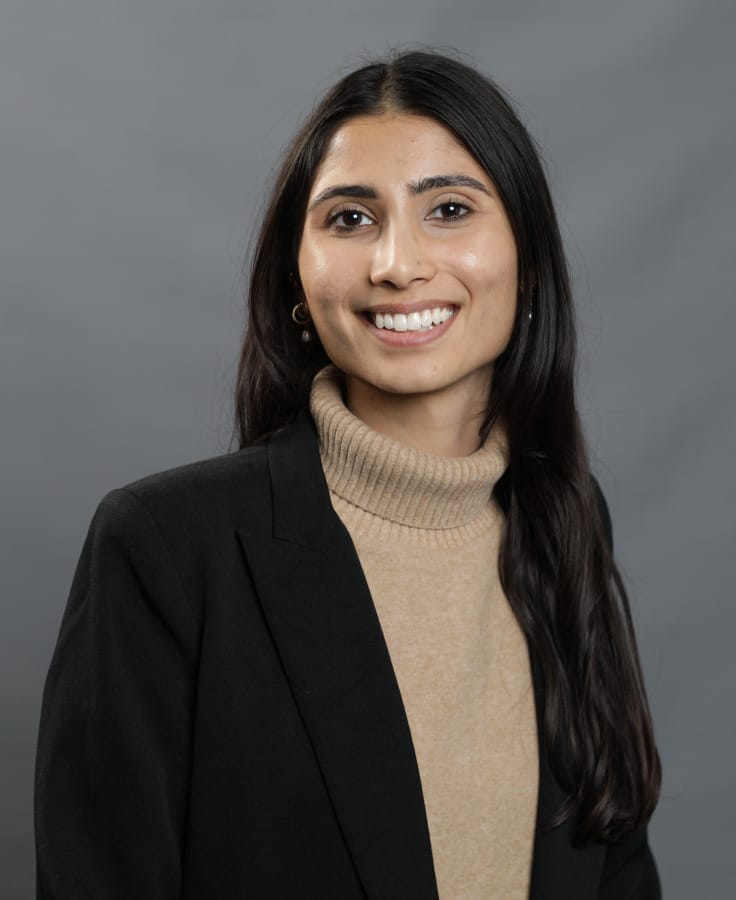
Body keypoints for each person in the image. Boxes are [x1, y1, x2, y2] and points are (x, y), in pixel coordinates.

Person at [35, 49, 661, 899]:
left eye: (448, 209)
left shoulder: (567, 518)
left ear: (527, 260)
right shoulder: (168, 549)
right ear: (298, 275)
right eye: (349, 219)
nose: (396, 263)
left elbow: (615, 858)